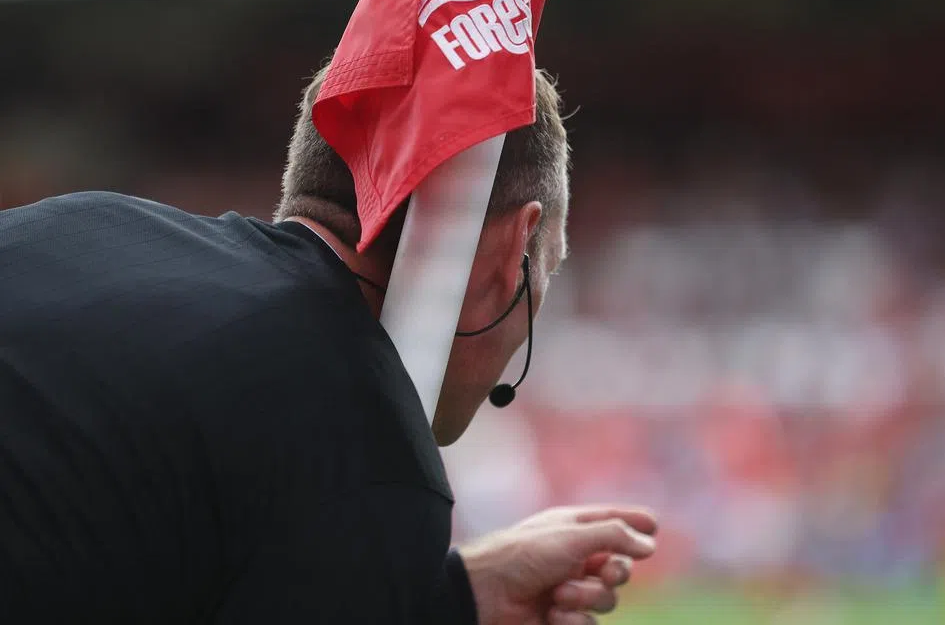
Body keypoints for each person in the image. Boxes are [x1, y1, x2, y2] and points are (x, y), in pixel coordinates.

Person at [0, 64, 657, 624]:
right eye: (549, 267)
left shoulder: (89, 218)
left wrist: (450, 598)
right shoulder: (370, 450)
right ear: (511, 256)